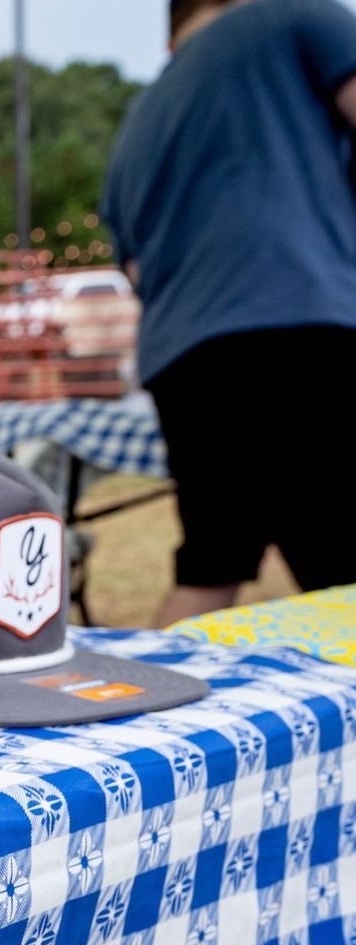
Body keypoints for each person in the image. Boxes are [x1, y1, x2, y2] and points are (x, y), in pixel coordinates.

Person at [102, 0, 356, 625]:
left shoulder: (139, 122)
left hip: (183, 359)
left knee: (210, 568)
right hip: (303, 329)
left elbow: (136, 272)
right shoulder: (297, 15)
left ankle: (155, 718)